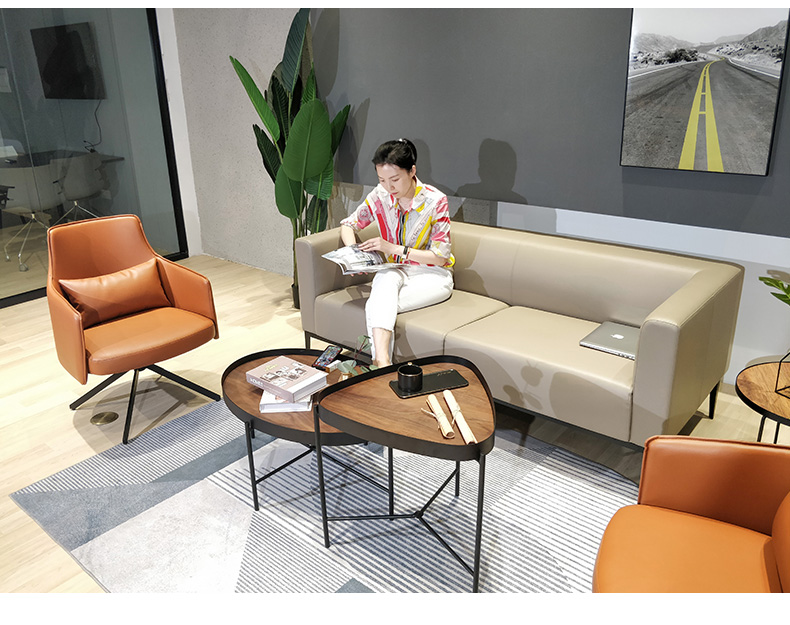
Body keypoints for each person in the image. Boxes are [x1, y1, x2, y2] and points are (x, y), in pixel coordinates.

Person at [339, 138, 454, 368]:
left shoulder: (435, 201)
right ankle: (383, 364)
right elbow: (348, 225)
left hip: (433, 275)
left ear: (412, 171)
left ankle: (379, 365)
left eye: (395, 179)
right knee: (385, 278)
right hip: (394, 271)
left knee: (377, 303)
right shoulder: (379, 196)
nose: (388, 187)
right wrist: (354, 254)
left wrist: (392, 249)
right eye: (382, 180)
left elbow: (440, 257)